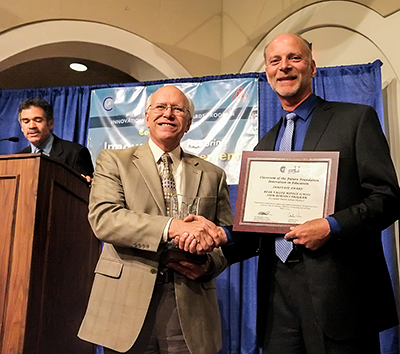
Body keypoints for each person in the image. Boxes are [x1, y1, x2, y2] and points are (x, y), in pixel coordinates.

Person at [178, 33, 400, 353]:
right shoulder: (265, 145)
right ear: (268, 73)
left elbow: (388, 198)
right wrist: (220, 235)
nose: (284, 67)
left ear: (312, 66)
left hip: (340, 298)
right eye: (275, 61)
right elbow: (260, 228)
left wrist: (331, 226)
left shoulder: (354, 120)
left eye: (294, 58)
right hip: (277, 297)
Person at [78, 85, 232, 354]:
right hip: (127, 301)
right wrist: (172, 227)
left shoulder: (213, 175)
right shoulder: (113, 161)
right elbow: (105, 219)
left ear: (188, 123)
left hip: (189, 303)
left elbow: (224, 237)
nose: (168, 114)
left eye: (177, 109)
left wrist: (208, 265)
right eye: (160, 107)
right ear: (147, 118)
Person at [17, 97, 94, 179]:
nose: (32, 126)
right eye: (26, 121)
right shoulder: (17, 159)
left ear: (51, 123)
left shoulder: (75, 153)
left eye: (38, 120)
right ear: (21, 127)